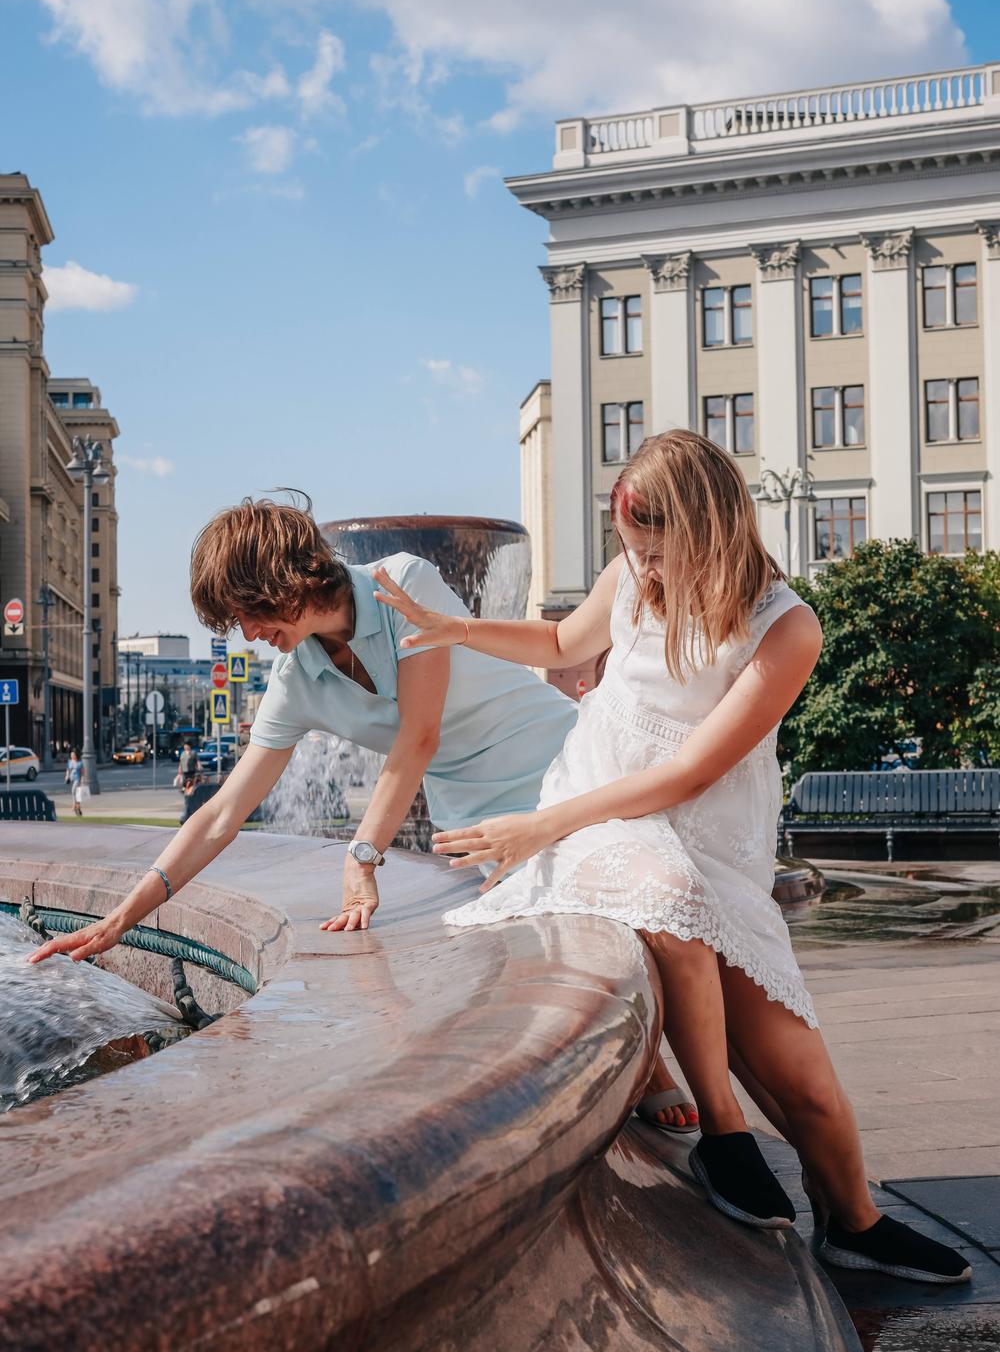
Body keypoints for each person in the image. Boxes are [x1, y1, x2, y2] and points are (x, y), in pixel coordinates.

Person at [371, 429, 970, 1285]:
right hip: (610, 817)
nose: (642, 568)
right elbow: (560, 647)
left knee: (806, 1086)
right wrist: (451, 628)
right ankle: (725, 1143)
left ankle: (856, 1224)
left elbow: (690, 772)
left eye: (659, 550)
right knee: (666, 902)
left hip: (709, 839)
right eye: (631, 548)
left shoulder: (785, 627)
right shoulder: (630, 577)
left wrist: (537, 829)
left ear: (713, 529)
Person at [27, 493, 698, 1131]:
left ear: (285, 581)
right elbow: (223, 812)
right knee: (554, 935)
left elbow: (419, 735)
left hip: (555, 758)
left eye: (250, 613)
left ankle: (657, 1060)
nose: (252, 635)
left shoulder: (402, 583)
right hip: (474, 810)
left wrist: (363, 853)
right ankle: (634, 1056)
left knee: (618, 907)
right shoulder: (298, 682)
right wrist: (120, 919)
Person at [64, 748, 84, 817]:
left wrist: (82, 780)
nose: (72, 756)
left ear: (76, 755)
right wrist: (67, 776)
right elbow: (68, 770)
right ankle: (78, 809)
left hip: (77, 779)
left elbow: (82, 773)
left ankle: (74, 806)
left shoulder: (80, 763)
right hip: (71, 779)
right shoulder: (70, 762)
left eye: (73, 755)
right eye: (71, 755)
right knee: (77, 794)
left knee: (73, 791)